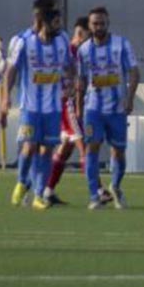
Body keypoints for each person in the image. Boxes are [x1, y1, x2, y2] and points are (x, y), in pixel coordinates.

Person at [0, 0, 73, 210]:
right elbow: (11, 71)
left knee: (47, 150)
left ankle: (39, 195)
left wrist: (72, 80)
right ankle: (22, 182)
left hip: (53, 107)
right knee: (30, 147)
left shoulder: (62, 39)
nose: (58, 24)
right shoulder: (22, 41)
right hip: (30, 107)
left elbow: (69, 64)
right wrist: (5, 98)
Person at [76, 6, 140, 210]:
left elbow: (134, 72)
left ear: (108, 24)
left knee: (119, 152)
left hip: (117, 109)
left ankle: (116, 186)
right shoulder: (84, 50)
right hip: (93, 108)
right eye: (95, 23)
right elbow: (80, 79)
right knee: (92, 147)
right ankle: (94, 195)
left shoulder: (121, 44)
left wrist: (130, 98)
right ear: (89, 25)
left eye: (102, 23)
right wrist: (78, 107)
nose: (99, 27)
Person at [41, 15, 98, 206]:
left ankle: (47, 191)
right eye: (88, 36)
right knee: (85, 148)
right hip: (69, 105)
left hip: (69, 103)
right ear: (80, 34)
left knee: (65, 149)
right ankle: (97, 190)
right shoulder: (71, 50)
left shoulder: (78, 51)